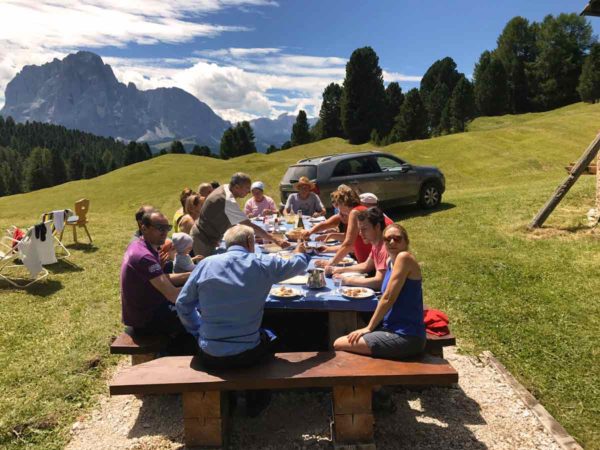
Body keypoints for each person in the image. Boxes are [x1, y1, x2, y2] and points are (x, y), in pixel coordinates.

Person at [176, 224, 309, 369]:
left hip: (209, 353)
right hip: (247, 354)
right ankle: (259, 390)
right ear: (249, 241)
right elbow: (299, 264)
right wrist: (300, 252)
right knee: (272, 333)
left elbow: (182, 303)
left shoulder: (205, 264)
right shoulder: (263, 263)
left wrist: (197, 329)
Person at [333, 224, 426, 360]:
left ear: (406, 242)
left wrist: (369, 328)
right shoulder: (390, 261)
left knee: (339, 343)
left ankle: (368, 379)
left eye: (397, 238)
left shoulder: (404, 258)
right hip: (391, 328)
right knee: (353, 335)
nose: (392, 242)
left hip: (406, 335)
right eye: (388, 239)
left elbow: (388, 297)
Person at [120, 210, 191, 336]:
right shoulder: (145, 256)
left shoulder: (141, 245)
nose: (164, 232)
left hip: (144, 311)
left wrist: (192, 275)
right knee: (200, 318)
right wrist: (202, 286)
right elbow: (173, 295)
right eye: (159, 228)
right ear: (144, 228)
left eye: (167, 228)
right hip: (146, 319)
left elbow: (161, 278)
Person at [190, 172, 289, 257]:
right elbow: (248, 225)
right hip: (203, 239)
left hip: (207, 236)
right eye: (247, 188)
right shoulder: (227, 200)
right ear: (237, 187)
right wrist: (276, 239)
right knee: (210, 271)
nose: (249, 192)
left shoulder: (224, 187)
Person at [315, 187, 392, 268]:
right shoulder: (360, 209)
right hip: (371, 262)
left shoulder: (354, 212)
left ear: (343, 203)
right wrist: (328, 249)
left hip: (375, 264)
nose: (338, 208)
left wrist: (330, 263)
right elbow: (352, 244)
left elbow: (348, 243)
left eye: (338, 204)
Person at [331, 207, 388, 290]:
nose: (360, 234)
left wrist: (347, 280)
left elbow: (379, 282)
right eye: (360, 230)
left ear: (377, 227)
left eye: (364, 229)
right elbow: (366, 266)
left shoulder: (384, 248)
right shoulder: (376, 243)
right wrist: (339, 270)